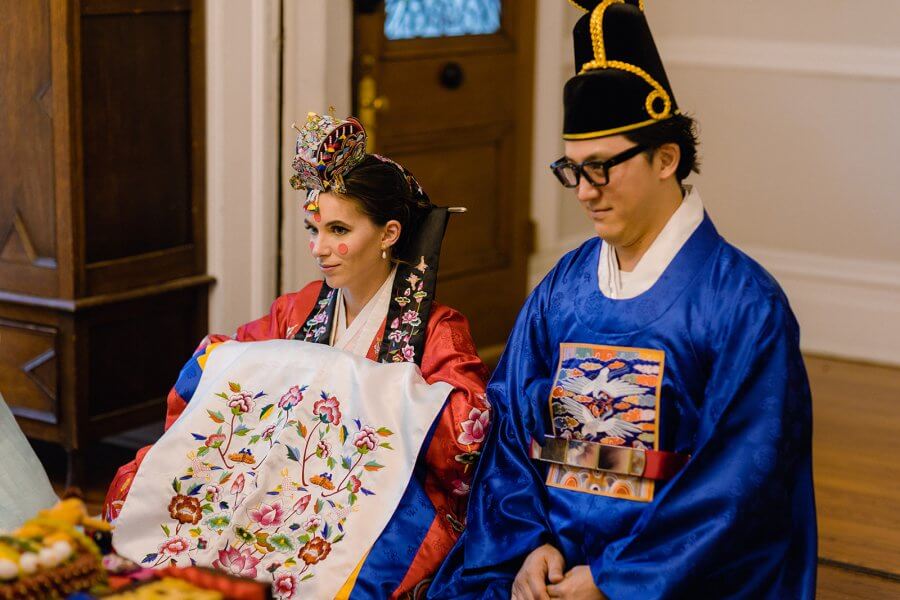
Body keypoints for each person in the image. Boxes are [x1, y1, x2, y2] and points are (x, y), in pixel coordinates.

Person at [429, 1, 817, 598]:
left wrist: (614, 579)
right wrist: (529, 543)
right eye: (573, 169)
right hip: (546, 563)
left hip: (670, 576)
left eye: (603, 167)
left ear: (667, 158)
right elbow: (510, 429)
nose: (584, 191)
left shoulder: (742, 304)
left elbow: (743, 480)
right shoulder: (563, 290)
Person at [104, 111, 490, 598]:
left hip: (366, 498)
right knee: (146, 499)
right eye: (314, 229)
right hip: (275, 480)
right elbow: (227, 369)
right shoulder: (299, 308)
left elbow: (466, 432)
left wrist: (370, 387)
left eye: (338, 230)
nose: (320, 248)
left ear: (390, 234)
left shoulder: (435, 330)